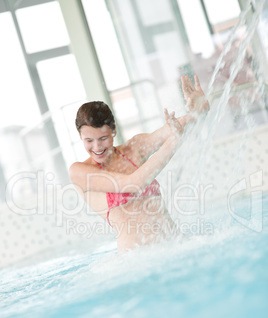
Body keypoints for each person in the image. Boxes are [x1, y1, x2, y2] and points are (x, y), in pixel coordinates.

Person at [69, 75, 209, 252]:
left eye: (103, 138)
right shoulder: (80, 171)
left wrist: (198, 111)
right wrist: (174, 141)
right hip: (137, 260)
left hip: (177, 245)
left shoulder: (134, 148)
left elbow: (172, 128)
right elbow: (133, 184)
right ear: (80, 137)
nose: (96, 147)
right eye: (88, 140)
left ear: (113, 131)